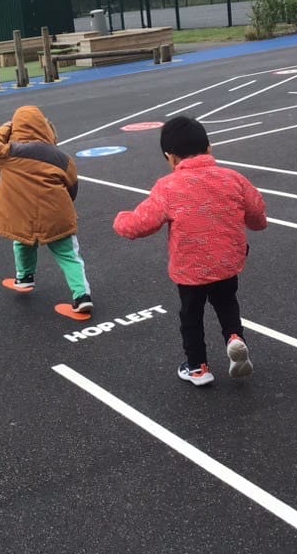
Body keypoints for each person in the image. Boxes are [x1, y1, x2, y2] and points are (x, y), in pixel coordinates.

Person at [113, 116, 267, 387]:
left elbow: (142, 223)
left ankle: (197, 367)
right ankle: (235, 338)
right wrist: (257, 224)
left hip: (190, 267)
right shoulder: (233, 178)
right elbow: (256, 212)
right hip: (227, 260)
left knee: (191, 316)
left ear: (170, 158)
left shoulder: (168, 187)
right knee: (227, 303)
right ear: (209, 147)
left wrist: (121, 220)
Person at [0, 105, 93, 314]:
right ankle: (82, 295)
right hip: (55, 213)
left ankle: (25, 277)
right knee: (68, 254)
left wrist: (7, 126)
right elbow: (72, 186)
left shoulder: (9, 154)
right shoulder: (61, 158)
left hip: (22, 214)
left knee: (22, 242)